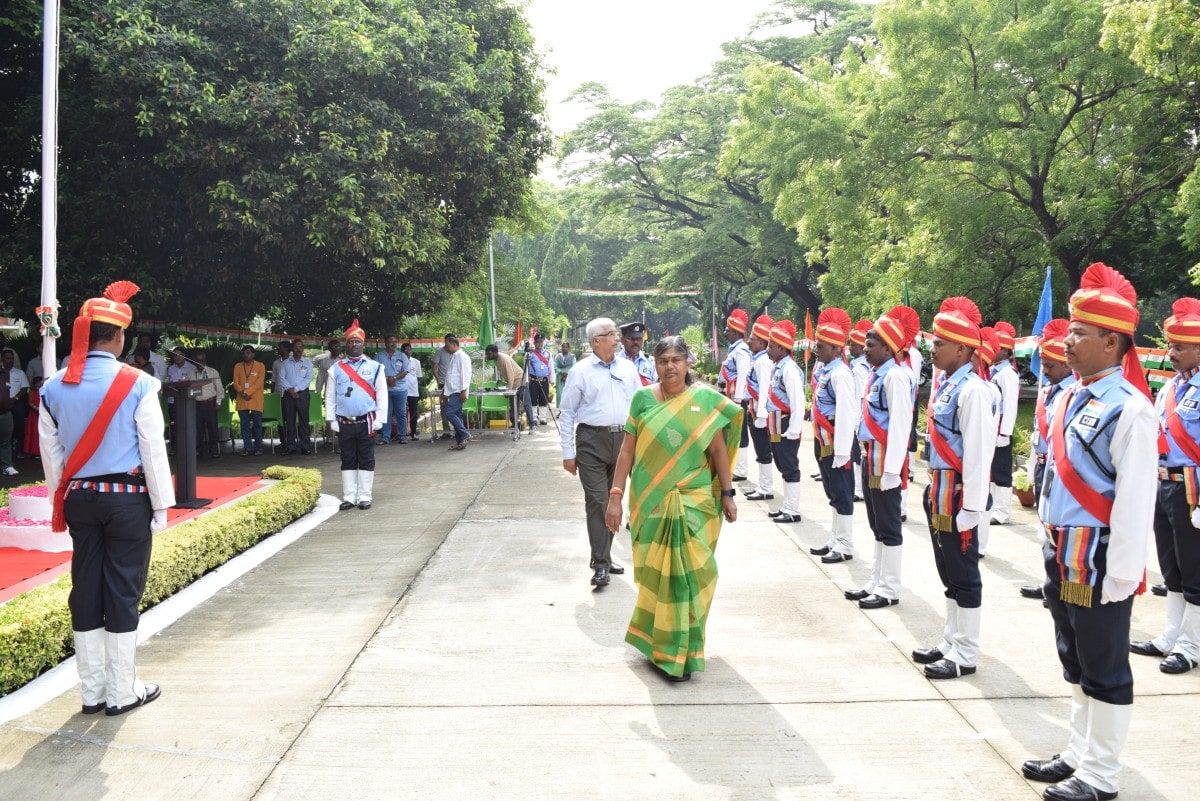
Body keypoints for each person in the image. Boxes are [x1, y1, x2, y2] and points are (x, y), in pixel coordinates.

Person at [1022, 262, 1157, 801]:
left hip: (1099, 558)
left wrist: (1124, 572)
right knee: (1073, 655)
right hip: (1064, 548)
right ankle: (1079, 753)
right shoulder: (1070, 396)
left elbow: (1135, 500)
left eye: (1079, 332)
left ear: (1111, 342)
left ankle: (1102, 774)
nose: (1067, 341)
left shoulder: (1132, 409)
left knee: (1105, 664)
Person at [39, 280, 174, 716]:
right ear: (117, 337)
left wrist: (61, 500)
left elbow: (52, 457)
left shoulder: (52, 387)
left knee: (86, 588)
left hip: (80, 498)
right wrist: (161, 506)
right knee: (122, 589)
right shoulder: (140, 383)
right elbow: (152, 449)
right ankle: (122, 692)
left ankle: (92, 692)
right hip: (126, 499)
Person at [605, 336, 741, 682]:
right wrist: (616, 495)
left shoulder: (704, 400)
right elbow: (627, 451)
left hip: (695, 500)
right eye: (663, 360)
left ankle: (684, 649)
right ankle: (663, 648)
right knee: (657, 575)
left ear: (687, 363)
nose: (669, 366)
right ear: (655, 363)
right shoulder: (642, 399)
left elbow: (718, 451)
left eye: (676, 360)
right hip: (651, 500)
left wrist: (728, 493)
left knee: (694, 574)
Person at [911, 297, 996, 680]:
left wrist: (972, 508)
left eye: (940, 343)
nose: (933, 348)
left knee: (964, 574)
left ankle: (966, 652)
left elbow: (978, 453)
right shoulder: (949, 385)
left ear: (962, 349)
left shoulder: (973, 390)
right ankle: (951, 640)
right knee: (947, 571)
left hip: (959, 495)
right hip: (940, 491)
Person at [1130, 298, 1200, 675]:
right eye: (1170, 345)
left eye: (1180, 347)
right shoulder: (1172, 387)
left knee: (1195, 570)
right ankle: (1172, 635)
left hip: (1192, 488)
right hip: (1163, 483)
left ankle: (1191, 646)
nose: (1171, 353)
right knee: (1171, 567)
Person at [559, 317, 642, 586]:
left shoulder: (628, 369)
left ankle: (604, 555)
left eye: (616, 333)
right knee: (598, 502)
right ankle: (601, 563)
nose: (617, 338)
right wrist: (568, 452)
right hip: (591, 442)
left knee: (614, 500)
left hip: (624, 442)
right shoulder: (580, 371)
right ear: (596, 341)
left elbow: (642, 405)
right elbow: (567, 412)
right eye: (611, 334)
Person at [846, 306, 918, 610]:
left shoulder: (896, 377)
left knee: (888, 524)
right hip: (870, 456)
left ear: (888, 348)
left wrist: (892, 471)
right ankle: (876, 580)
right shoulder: (877, 375)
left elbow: (900, 426)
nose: (865, 348)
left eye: (871, 344)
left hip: (885, 460)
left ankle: (889, 587)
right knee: (876, 523)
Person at [1019, 319, 1074, 600]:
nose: (1044, 370)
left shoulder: (1072, 394)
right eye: (1043, 364)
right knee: (1045, 527)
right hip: (1043, 466)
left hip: (1060, 471)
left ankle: (1060, 586)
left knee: (1060, 532)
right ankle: (1049, 583)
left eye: (1050, 365)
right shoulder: (1047, 392)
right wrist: (1032, 469)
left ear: (1066, 364)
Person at [808, 308, 859, 563]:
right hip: (823, 440)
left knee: (842, 491)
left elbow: (847, 414)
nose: (816, 350)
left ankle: (845, 544)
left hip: (836, 441)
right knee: (832, 491)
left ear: (837, 349)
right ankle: (836, 537)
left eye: (821, 346)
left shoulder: (840, 373)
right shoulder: (827, 370)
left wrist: (842, 452)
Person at [325, 319, 387, 510]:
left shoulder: (376, 367)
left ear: (363, 344)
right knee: (348, 458)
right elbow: (330, 396)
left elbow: (382, 395)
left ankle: (365, 496)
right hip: (344, 422)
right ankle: (350, 497)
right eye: (351, 341)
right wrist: (331, 419)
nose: (354, 344)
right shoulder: (336, 368)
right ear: (346, 344)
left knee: (366, 457)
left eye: (357, 341)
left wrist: (380, 419)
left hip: (367, 421)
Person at [764, 320, 805, 523]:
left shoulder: (789, 369)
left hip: (786, 423)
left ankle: (793, 509)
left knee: (789, 465)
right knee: (781, 463)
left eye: (771, 346)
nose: (768, 349)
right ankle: (786, 506)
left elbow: (798, 402)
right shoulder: (778, 367)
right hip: (776, 423)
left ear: (781, 348)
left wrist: (793, 430)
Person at [989, 321, 1020, 526]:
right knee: (992, 469)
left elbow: (1010, 406)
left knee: (1001, 470)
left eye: (997, 346)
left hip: (1001, 429)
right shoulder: (995, 371)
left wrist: (1005, 433)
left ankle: (1002, 511)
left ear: (1006, 351)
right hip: (992, 428)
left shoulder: (1007, 374)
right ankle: (993, 507)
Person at [744, 314, 776, 502]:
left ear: (762, 343)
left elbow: (765, 389)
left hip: (759, 413)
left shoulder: (763, 362)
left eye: (753, 339)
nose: (749, 341)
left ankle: (766, 487)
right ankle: (763, 485)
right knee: (760, 450)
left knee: (763, 451)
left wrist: (762, 415)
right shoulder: (757, 359)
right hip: (753, 410)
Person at [719, 309, 752, 482]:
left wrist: (738, 401)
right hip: (729, 397)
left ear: (736, 332)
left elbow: (743, 376)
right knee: (731, 432)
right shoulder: (734, 349)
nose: (725, 332)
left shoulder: (741, 351)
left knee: (741, 433)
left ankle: (741, 469)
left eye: (727, 330)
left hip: (736, 399)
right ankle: (734, 466)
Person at [848, 319, 873, 503]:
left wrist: (856, 419)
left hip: (859, 414)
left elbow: (861, 395)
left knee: (858, 455)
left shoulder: (859, 368)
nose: (850, 348)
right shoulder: (861, 364)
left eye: (853, 345)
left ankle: (859, 489)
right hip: (860, 414)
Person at [485, 343, 535, 432]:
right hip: (512, 384)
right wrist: (501, 381)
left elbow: (510, 375)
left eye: (489, 354)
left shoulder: (504, 359)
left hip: (520, 382)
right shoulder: (496, 360)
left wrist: (509, 390)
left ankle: (532, 425)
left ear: (495, 352)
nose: (488, 356)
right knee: (513, 406)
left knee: (526, 404)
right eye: (487, 354)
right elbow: (503, 372)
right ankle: (515, 426)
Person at [277, 339, 314, 455]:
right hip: (288, 395)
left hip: (302, 394)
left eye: (300, 347)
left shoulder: (308, 363)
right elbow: (281, 378)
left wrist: (296, 389)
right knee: (289, 421)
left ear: (303, 349)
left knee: (304, 421)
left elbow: (308, 378)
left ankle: (305, 446)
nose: (298, 349)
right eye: (296, 347)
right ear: (292, 349)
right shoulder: (285, 363)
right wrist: (290, 390)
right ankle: (291, 446)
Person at [374, 335, 410, 444]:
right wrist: (386, 379)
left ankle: (402, 436)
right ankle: (385, 437)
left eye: (395, 342)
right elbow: (374, 371)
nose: (393, 344)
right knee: (386, 413)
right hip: (384, 390)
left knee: (401, 413)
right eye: (390, 342)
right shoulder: (379, 356)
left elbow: (405, 370)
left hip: (401, 389)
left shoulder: (402, 355)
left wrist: (394, 378)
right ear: (385, 343)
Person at [191, 348, 225, 458]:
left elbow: (219, 388)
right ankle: (198, 450)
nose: (200, 363)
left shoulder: (212, 372)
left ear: (205, 360)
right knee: (198, 429)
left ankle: (214, 450)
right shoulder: (191, 374)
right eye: (197, 361)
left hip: (210, 403)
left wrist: (218, 402)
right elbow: (189, 390)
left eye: (201, 361)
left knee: (212, 428)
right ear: (194, 361)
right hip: (197, 404)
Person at [233, 344, 266, 456]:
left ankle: (258, 448)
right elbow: (235, 382)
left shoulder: (260, 366)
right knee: (244, 426)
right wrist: (241, 392)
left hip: (255, 399)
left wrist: (247, 392)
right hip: (242, 398)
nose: (245, 355)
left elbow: (259, 382)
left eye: (248, 352)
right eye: (243, 353)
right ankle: (248, 448)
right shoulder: (237, 366)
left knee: (257, 425)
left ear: (253, 354)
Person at [441, 334, 473, 450]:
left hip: (458, 391)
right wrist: (444, 392)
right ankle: (460, 441)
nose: (446, 348)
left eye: (447, 345)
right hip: (452, 391)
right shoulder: (454, 356)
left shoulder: (462, 357)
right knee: (458, 416)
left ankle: (465, 434)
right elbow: (450, 376)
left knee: (449, 413)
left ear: (454, 345)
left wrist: (463, 391)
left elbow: (465, 375)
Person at [0, 349, 28, 474]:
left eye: (11, 358)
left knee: (7, 439)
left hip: (8, 409)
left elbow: (24, 388)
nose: (10, 361)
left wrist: (14, 399)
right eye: (7, 358)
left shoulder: (11, 374)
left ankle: (7, 466)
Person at [164, 346, 192, 451]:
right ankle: (175, 447)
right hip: (173, 400)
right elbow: (168, 382)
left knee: (187, 424)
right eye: (175, 355)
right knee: (174, 424)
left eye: (179, 355)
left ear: (184, 356)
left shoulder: (191, 367)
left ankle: (188, 446)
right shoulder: (170, 369)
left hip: (187, 401)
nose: (177, 357)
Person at [524, 332, 553, 425]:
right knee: (533, 399)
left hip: (544, 380)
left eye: (541, 342)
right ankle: (534, 418)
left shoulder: (548, 354)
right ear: (535, 343)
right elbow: (526, 367)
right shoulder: (531, 353)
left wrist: (552, 379)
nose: (539, 344)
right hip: (533, 380)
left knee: (543, 399)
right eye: (537, 342)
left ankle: (543, 418)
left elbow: (551, 367)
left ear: (543, 342)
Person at [618, 321, 658, 386]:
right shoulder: (614, 362)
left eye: (639, 339)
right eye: (632, 339)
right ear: (622, 340)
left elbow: (656, 386)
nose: (636, 342)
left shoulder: (652, 363)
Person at [432, 335, 455, 439]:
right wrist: (438, 379)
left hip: (454, 385)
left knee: (455, 407)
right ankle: (446, 431)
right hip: (443, 384)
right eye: (447, 342)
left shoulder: (458, 353)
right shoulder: (439, 352)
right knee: (444, 407)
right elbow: (434, 366)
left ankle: (458, 430)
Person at [401, 343, 422, 440]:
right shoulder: (398, 361)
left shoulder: (416, 362)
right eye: (405, 349)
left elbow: (418, 377)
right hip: (401, 390)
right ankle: (402, 433)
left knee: (413, 413)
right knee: (401, 413)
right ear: (402, 351)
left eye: (409, 349)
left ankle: (413, 433)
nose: (408, 351)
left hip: (413, 392)